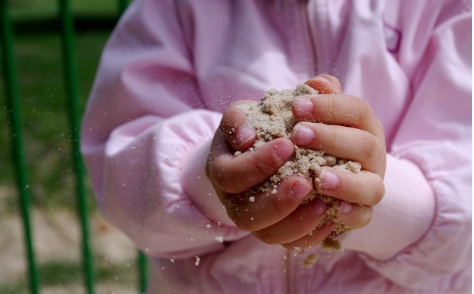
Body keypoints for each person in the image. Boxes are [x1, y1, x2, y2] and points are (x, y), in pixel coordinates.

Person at [81, 0, 472, 293]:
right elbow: (121, 178)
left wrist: (368, 193)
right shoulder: (173, 8)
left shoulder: (447, 9)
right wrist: (215, 180)